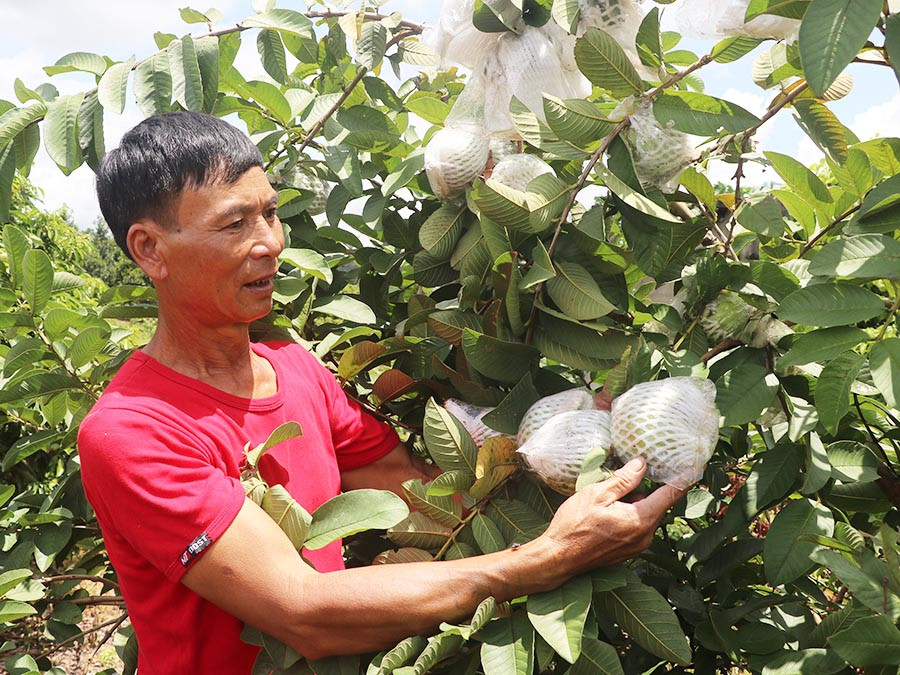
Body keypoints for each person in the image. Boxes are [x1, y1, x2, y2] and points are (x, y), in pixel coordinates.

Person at [77, 111, 687, 674]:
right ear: (150, 250)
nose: (271, 242)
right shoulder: (132, 432)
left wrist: (561, 444)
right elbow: (304, 612)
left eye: (270, 213)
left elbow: (409, 486)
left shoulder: (293, 367)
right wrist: (551, 557)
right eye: (235, 223)